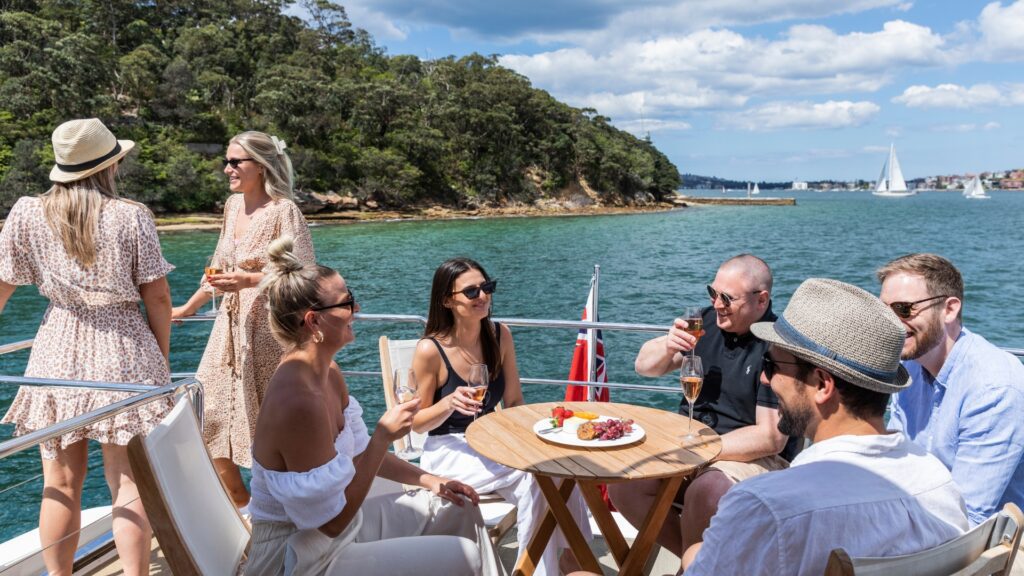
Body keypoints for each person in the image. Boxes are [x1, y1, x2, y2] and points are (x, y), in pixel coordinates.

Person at [245, 238, 500, 576]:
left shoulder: (328, 372)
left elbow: (357, 453)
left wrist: (430, 479)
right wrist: (383, 436)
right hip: (299, 557)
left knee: (459, 505)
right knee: (463, 556)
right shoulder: (298, 402)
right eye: (346, 302)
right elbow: (330, 523)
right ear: (314, 321)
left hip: (343, 531)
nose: (358, 308)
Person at [681, 278, 968, 575]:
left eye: (772, 366)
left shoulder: (767, 508)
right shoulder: (940, 482)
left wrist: (692, 554)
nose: (766, 380)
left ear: (822, 384)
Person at [0, 118, 174, 576]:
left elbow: (2, 287)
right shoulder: (131, 214)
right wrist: (160, 356)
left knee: (59, 481)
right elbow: (156, 297)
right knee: (128, 482)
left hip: (56, 344)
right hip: (124, 348)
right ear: (109, 165)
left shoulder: (25, 212)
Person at [411, 257, 591, 576]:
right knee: (534, 477)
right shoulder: (430, 350)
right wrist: (450, 402)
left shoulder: (498, 335)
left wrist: (539, 438)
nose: (482, 296)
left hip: (490, 441)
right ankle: (536, 570)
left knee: (561, 466)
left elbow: (514, 401)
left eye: (487, 287)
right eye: (471, 291)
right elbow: (417, 423)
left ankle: (575, 559)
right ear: (447, 300)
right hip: (447, 448)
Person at [611, 254, 795, 557]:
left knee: (705, 491)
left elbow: (771, 438)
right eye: (713, 293)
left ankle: (696, 564)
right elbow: (645, 366)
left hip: (754, 459)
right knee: (624, 484)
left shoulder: (777, 346)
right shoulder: (706, 321)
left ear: (761, 300)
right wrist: (669, 344)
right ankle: (696, 561)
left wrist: (700, 449)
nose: (717, 303)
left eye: (727, 298)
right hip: (694, 447)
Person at [172, 131, 314, 509]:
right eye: (228, 161)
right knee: (208, 415)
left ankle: (283, 509)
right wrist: (188, 307)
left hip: (271, 329)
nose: (227, 169)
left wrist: (250, 280)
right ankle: (243, 505)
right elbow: (219, 268)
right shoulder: (232, 206)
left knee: (273, 421)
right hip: (229, 329)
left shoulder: (284, 211)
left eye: (236, 162)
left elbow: (304, 272)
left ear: (262, 165)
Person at [878, 253, 1024, 526]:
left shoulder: (993, 390)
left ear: (949, 309)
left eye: (903, 309)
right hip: (919, 514)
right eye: (883, 312)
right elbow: (895, 460)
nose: (891, 324)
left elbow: (966, 516)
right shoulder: (907, 368)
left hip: (990, 548)